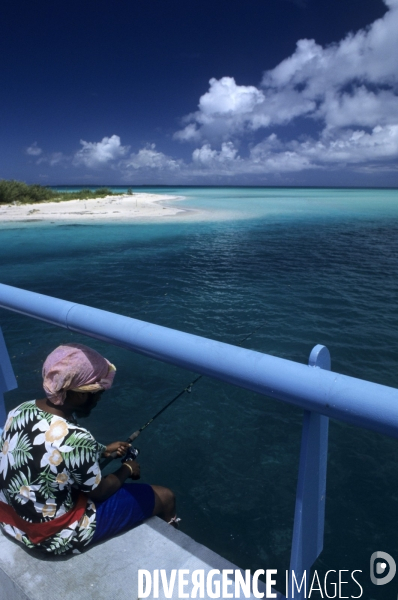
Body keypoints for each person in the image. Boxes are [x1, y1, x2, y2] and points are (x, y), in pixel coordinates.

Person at [0, 343, 176, 555]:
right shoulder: (77, 438)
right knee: (165, 496)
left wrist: (101, 449)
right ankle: (171, 540)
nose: (99, 398)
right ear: (81, 395)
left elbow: (51, 446)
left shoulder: (20, 409)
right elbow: (100, 492)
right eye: (98, 392)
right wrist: (127, 469)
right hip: (50, 538)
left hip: (12, 522)